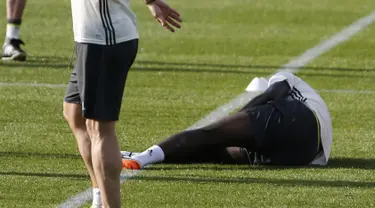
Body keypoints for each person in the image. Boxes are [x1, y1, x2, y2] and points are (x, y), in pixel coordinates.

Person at [62, 0, 182, 207]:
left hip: (103, 40)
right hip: (93, 37)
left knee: (100, 129)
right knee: (74, 114)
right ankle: (99, 195)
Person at [121, 72, 333, 169]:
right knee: (215, 151)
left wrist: (235, 119)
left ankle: (143, 158)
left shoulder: (283, 78)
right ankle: (145, 156)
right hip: (302, 154)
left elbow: (269, 96)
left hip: (301, 120)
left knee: (212, 134)